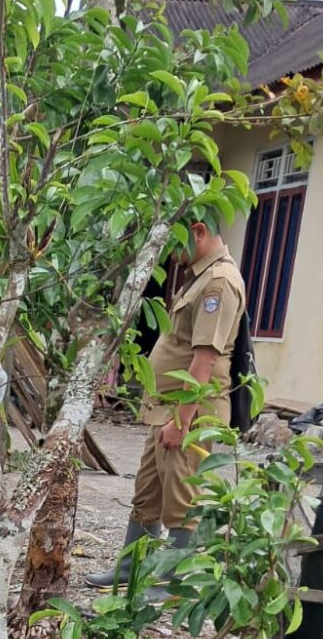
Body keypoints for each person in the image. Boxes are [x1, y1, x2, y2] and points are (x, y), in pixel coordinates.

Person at [86, 217, 246, 589]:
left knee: (181, 497)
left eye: (175, 244)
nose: (171, 255)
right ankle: (131, 568)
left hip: (187, 413)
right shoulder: (200, 276)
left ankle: (173, 582)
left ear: (198, 231)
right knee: (148, 492)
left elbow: (204, 359)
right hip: (167, 410)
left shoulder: (218, 283)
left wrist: (182, 421)